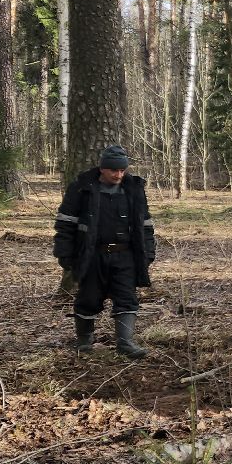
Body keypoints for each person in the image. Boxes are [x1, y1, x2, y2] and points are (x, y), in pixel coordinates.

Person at [54, 145, 156, 357]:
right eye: (114, 171)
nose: (119, 175)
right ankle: (84, 342)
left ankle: (125, 344)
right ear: (102, 169)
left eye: (122, 170)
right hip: (92, 256)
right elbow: (65, 224)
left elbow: (145, 224)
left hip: (125, 256)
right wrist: (64, 253)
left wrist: (148, 252)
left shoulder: (134, 189)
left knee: (127, 298)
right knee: (88, 298)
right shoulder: (81, 189)